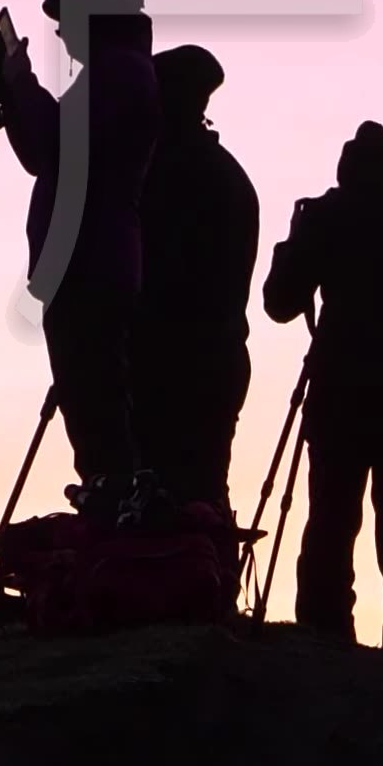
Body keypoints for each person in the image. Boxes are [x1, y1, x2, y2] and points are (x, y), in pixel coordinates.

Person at [0, 0, 160, 518]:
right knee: (91, 402)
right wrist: (10, 99)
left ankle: (116, 511)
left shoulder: (120, 75)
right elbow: (45, 152)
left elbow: (53, 145)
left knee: (99, 404)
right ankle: (109, 504)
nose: (60, 35)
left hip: (91, 266)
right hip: (85, 265)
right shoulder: (112, 76)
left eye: (67, 21)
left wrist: (18, 82)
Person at [262, 122, 383, 649]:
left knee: (331, 517)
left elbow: (280, 301)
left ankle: (325, 641)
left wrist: (295, 241)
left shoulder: (328, 216)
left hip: (343, 385)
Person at [134, 45, 259, 519]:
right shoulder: (225, 174)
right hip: (213, 362)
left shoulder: (169, 175)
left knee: (163, 504)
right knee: (201, 499)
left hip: (174, 366)